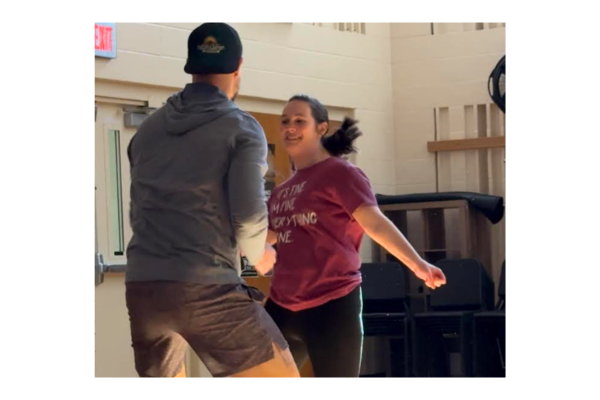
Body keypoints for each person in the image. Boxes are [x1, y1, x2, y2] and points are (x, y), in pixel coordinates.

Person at [125, 23, 298, 378]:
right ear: (239, 67)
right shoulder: (241, 127)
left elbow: (141, 207)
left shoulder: (147, 130)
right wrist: (260, 254)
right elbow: (248, 216)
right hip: (207, 287)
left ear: (191, 67)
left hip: (144, 288)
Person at [257, 94, 447, 377]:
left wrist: (418, 264)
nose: (290, 127)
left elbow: (375, 223)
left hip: (331, 305)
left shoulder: (340, 173)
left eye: (299, 121)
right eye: (285, 121)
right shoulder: (282, 191)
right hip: (282, 308)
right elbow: (266, 237)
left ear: (321, 128)